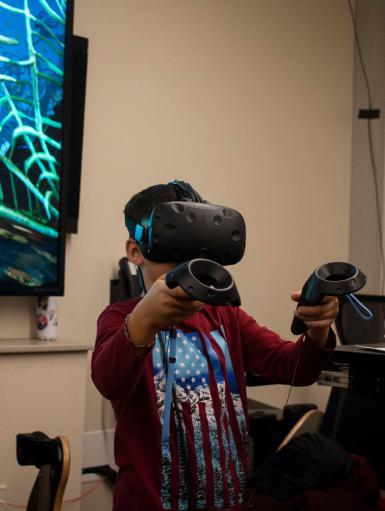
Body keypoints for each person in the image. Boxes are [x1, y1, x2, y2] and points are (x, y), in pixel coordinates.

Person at [91, 181, 338, 511]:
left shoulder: (226, 316)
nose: (182, 260)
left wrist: (317, 330)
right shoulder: (119, 318)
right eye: (171, 245)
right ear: (136, 251)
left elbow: (293, 366)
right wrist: (144, 320)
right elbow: (109, 380)